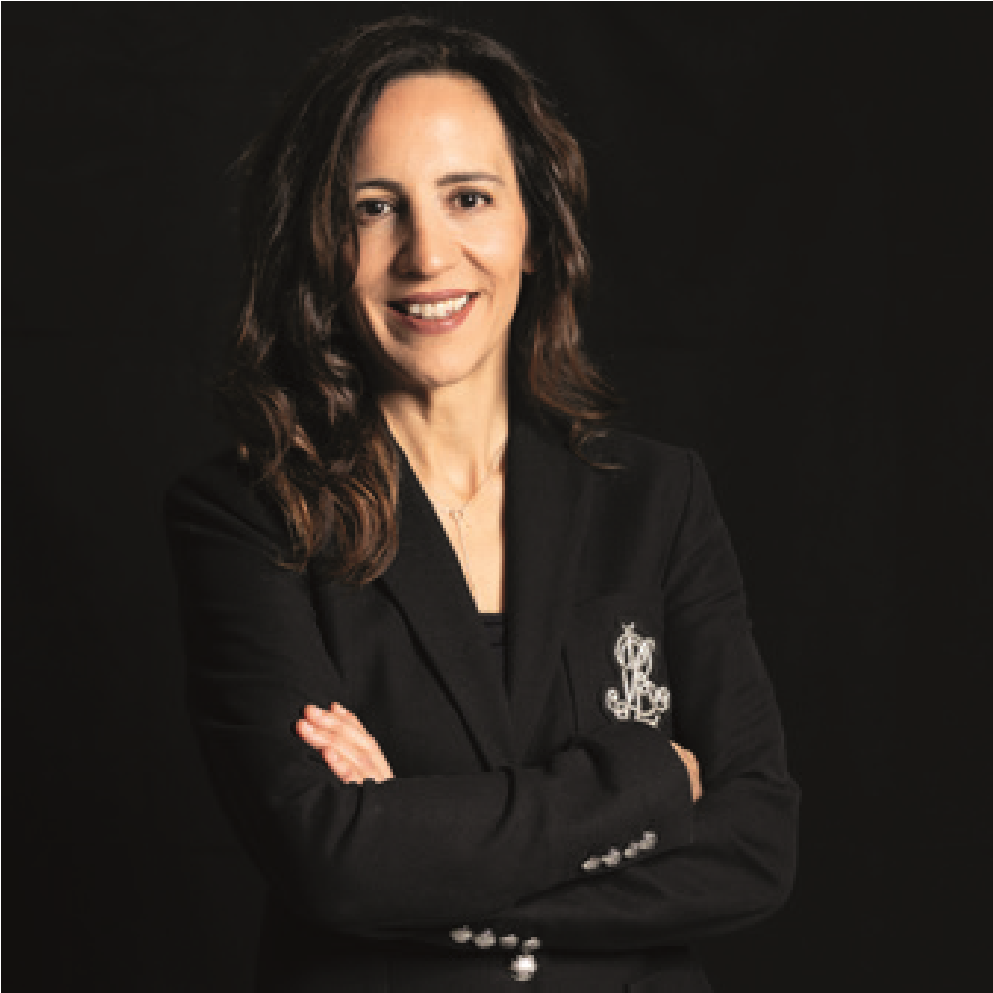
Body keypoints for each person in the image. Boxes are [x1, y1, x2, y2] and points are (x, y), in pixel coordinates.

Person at [165, 16, 800, 992]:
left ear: (533, 230)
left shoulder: (657, 498)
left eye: (468, 197)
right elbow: (333, 861)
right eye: (374, 208)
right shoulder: (249, 516)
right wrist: (649, 783)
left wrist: (416, 862)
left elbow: (752, 848)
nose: (427, 254)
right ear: (320, 246)